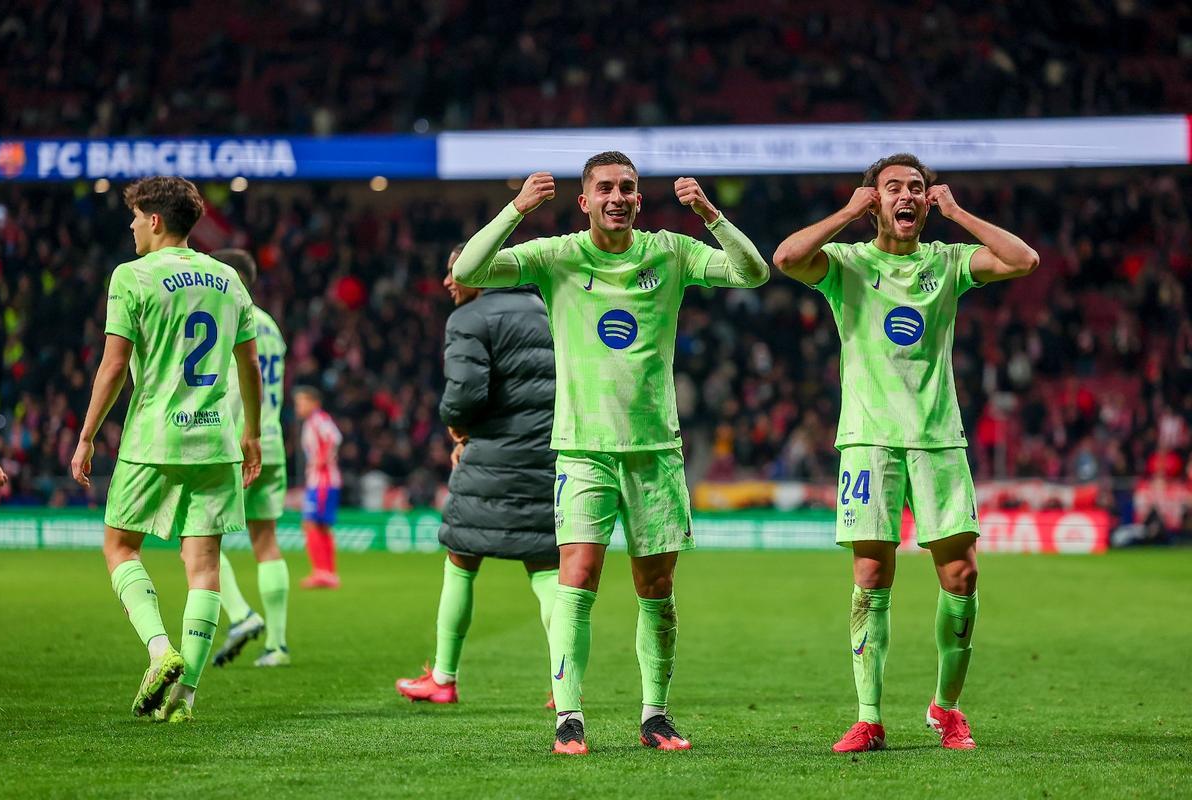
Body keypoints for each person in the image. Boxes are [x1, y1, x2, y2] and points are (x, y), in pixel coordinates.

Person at [453, 152, 769, 755]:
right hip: (583, 448)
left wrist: (710, 214)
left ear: (639, 199)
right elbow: (471, 267)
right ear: (585, 200)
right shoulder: (559, 256)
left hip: (655, 449)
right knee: (578, 576)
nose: (617, 196)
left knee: (657, 586)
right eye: (605, 188)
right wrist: (517, 209)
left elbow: (752, 273)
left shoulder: (670, 252)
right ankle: (568, 718)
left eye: (627, 188)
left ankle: (656, 715)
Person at [772, 153, 1039, 752]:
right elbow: (786, 258)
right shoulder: (846, 262)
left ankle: (946, 709)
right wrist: (848, 210)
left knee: (962, 574)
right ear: (874, 200)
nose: (909, 195)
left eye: (917, 188)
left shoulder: (945, 262)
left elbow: (1024, 260)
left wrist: (958, 211)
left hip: (938, 436)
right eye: (894, 188)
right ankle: (869, 717)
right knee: (871, 573)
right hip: (868, 438)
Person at [71, 176, 262, 723]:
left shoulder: (131, 276)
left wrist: (86, 436)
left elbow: (112, 366)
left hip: (153, 438)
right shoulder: (228, 278)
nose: (131, 226)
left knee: (119, 547)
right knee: (203, 569)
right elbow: (247, 365)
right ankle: (185, 700)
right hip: (216, 439)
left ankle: (159, 650)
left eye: (135, 216)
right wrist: (249, 433)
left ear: (155, 220)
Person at [395, 242, 559, 705]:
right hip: (549, 458)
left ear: (481, 270)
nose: (448, 281)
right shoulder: (548, 308)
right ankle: (563, 681)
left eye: (454, 271)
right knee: (547, 571)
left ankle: (443, 678)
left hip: (489, 457)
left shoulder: (469, 319)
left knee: (461, 562)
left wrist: (455, 427)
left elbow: (466, 394)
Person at [208, 248, 293, 668]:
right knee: (266, 542)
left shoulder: (230, 320)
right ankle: (277, 646)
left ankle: (240, 613)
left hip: (238, 443)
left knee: (198, 539)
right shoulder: (271, 326)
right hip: (272, 439)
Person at [295, 385, 343, 588]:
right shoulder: (312, 422)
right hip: (322, 480)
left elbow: (335, 438)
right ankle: (328, 573)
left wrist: (322, 460)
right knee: (321, 526)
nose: (299, 406)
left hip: (322, 481)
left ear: (314, 403)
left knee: (311, 524)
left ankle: (322, 572)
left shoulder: (318, 419)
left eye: (302, 402)